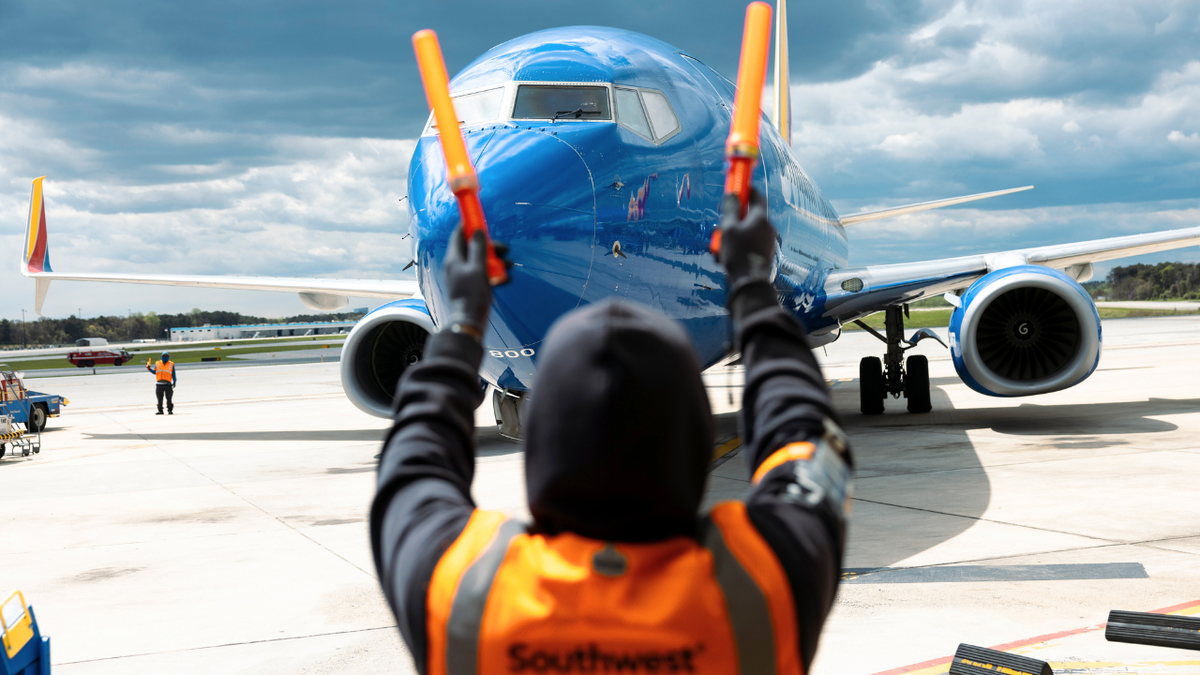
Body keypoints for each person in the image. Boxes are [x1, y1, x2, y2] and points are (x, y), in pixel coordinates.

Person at [371, 190, 853, 675]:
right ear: (695, 440)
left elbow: (411, 467)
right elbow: (805, 433)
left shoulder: (464, 598)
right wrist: (753, 290)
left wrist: (459, 325)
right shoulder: (762, 590)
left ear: (537, 444)